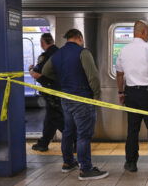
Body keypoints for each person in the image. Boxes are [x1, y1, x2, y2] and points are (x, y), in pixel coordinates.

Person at [42, 29, 108, 180]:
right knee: (83, 135)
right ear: (79, 37)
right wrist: (96, 96)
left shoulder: (57, 54)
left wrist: (61, 80)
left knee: (68, 131)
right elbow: (93, 77)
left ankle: (68, 163)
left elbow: (45, 71)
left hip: (65, 98)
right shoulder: (83, 52)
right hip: (82, 99)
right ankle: (86, 169)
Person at [115, 20, 148, 173]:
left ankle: (131, 163)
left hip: (131, 94)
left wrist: (121, 92)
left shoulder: (123, 50)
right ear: (144, 32)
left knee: (132, 129)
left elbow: (119, 74)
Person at [28, 33, 63, 152]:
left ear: (43, 43)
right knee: (50, 117)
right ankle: (43, 143)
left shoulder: (45, 55)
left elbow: (37, 73)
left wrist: (30, 69)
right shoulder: (60, 53)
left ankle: (74, 140)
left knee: (56, 118)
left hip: (50, 91)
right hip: (61, 90)